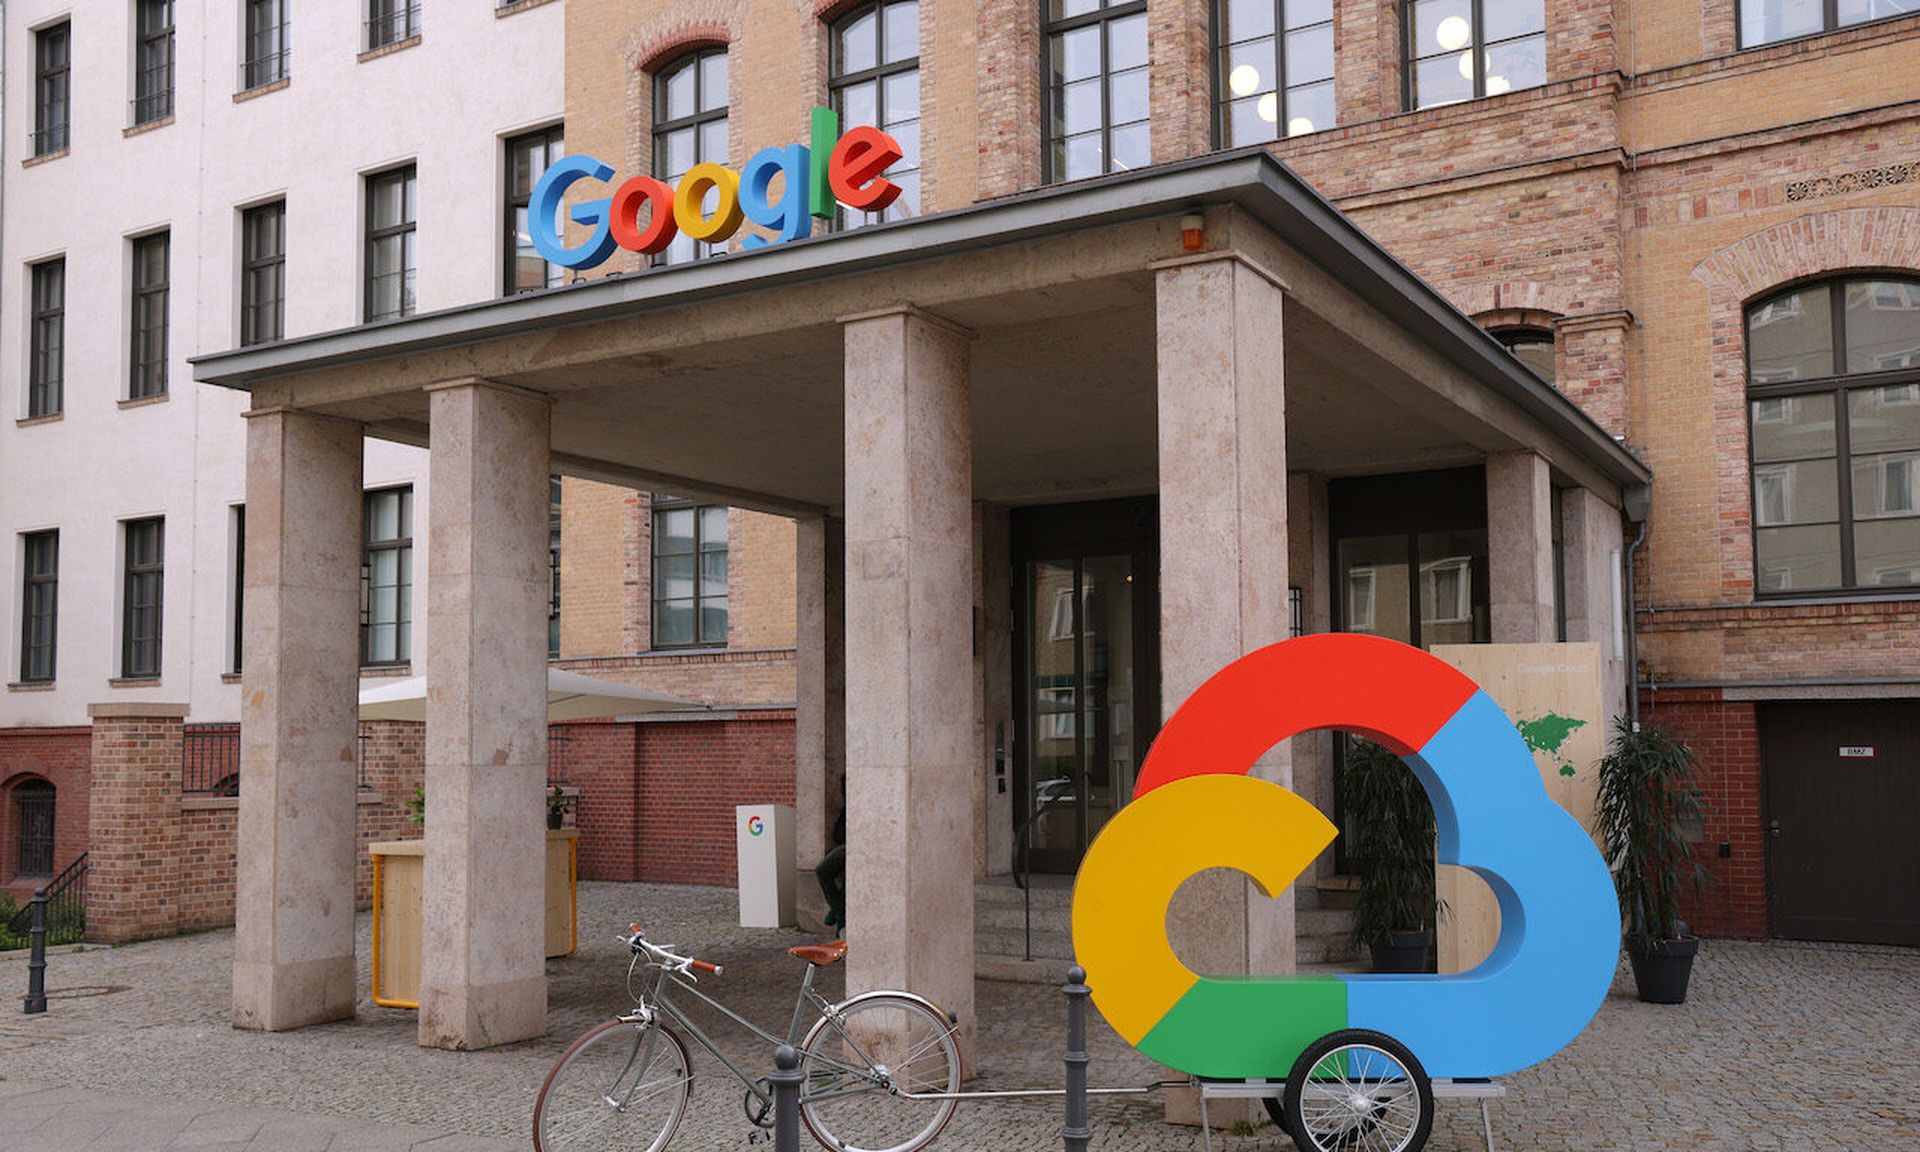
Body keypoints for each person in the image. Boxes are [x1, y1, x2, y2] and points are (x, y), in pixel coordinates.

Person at [816, 807, 846, 931]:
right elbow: (837, 834)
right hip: (846, 845)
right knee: (822, 870)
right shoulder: (847, 808)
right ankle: (837, 910)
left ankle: (839, 914)